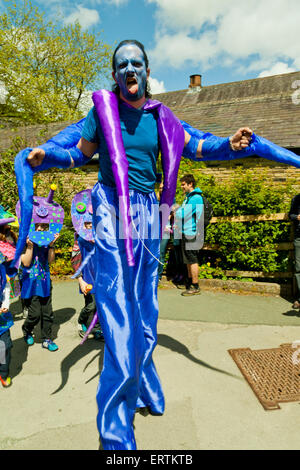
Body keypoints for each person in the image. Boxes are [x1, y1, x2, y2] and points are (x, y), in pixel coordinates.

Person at [14, 39, 298, 449]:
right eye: (122, 64)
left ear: (147, 71)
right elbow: (79, 154)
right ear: (114, 75)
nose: (130, 69)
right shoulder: (102, 112)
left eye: (137, 63)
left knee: (146, 307)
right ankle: (114, 427)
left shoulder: (163, 117)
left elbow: (198, 147)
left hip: (151, 216)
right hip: (111, 210)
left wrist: (231, 145)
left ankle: (143, 384)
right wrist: (49, 157)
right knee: (117, 311)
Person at [70, 189, 103, 340]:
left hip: (102, 276)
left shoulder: (104, 235)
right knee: (90, 305)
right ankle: (81, 321)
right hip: (88, 277)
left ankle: (97, 328)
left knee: (101, 305)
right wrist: (80, 279)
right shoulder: (79, 236)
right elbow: (75, 257)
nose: (90, 225)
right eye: (88, 223)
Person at [21, 224, 59, 351]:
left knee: (47, 313)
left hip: (44, 283)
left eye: (43, 226)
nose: (40, 229)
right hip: (30, 284)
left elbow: (51, 261)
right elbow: (26, 263)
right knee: (34, 314)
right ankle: (27, 329)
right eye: (37, 226)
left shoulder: (46, 241)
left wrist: (51, 245)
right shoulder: (23, 241)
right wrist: (30, 246)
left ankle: (47, 339)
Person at [174, 174, 204, 296]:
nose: (182, 187)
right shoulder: (188, 198)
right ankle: (190, 282)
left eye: (183, 184)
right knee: (188, 260)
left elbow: (182, 215)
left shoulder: (195, 198)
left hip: (191, 233)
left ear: (190, 184)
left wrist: (177, 209)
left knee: (192, 260)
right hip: (186, 232)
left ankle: (195, 286)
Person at [288, 194, 300, 308]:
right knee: (298, 268)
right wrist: (297, 217)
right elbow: (290, 215)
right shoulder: (296, 199)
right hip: (299, 237)